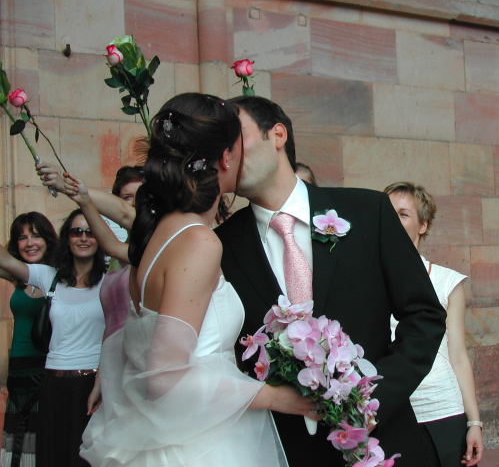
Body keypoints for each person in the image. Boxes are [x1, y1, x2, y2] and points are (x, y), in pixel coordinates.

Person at [79, 93, 316, 466]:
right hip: (200, 444)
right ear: (226, 157)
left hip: (174, 432)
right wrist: (274, 397)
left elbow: (131, 343)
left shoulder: (158, 233)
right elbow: (164, 377)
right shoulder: (198, 242)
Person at [215, 95, 447, 466]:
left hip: (382, 439)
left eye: (234, 136)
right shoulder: (220, 246)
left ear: (277, 135)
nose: (225, 153)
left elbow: (424, 315)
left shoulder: (368, 211)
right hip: (283, 449)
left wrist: (373, 398)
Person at [384, 181, 484, 467]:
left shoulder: (446, 282)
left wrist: (474, 422)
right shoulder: (366, 280)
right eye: (387, 214)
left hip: (442, 412)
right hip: (389, 413)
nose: (393, 221)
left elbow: (458, 356)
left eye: (403, 214)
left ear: (423, 225)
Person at [0, 209, 106, 467]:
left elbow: (115, 336)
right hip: (52, 381)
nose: (83, 237)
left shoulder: (111, 281)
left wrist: (102, 380)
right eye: (76, 231)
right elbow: (6, 261)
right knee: (52, 455)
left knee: (85, 458)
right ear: (66, 237)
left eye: (90, 231)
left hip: (92, 383)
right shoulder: (49, 276)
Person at [0, 213, 58, 467]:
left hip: (45, 369)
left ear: (48, 239)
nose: (30, 243)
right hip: (18, 371)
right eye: (22, 238)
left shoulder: (61, 275)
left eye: (36, 235)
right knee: (18, 441)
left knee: (44, 438)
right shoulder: (19, 275)